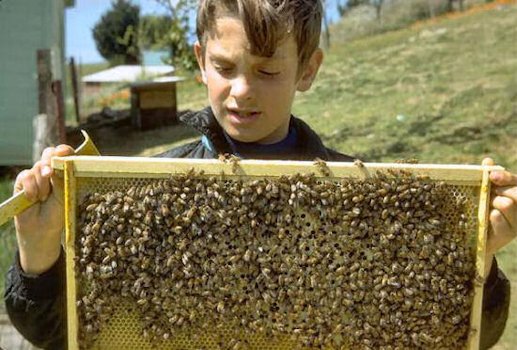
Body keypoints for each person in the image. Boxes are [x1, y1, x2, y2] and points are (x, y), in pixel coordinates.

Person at [4, 0, 514, 349]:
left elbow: (467, 333)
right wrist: (40, 251)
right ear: (200, 61)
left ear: (307, 70)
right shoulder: (140, 193)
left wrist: (475, 258)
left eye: (268, 71)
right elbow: (59, 333)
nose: (243, 91)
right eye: (226, 67)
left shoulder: (360, 198)